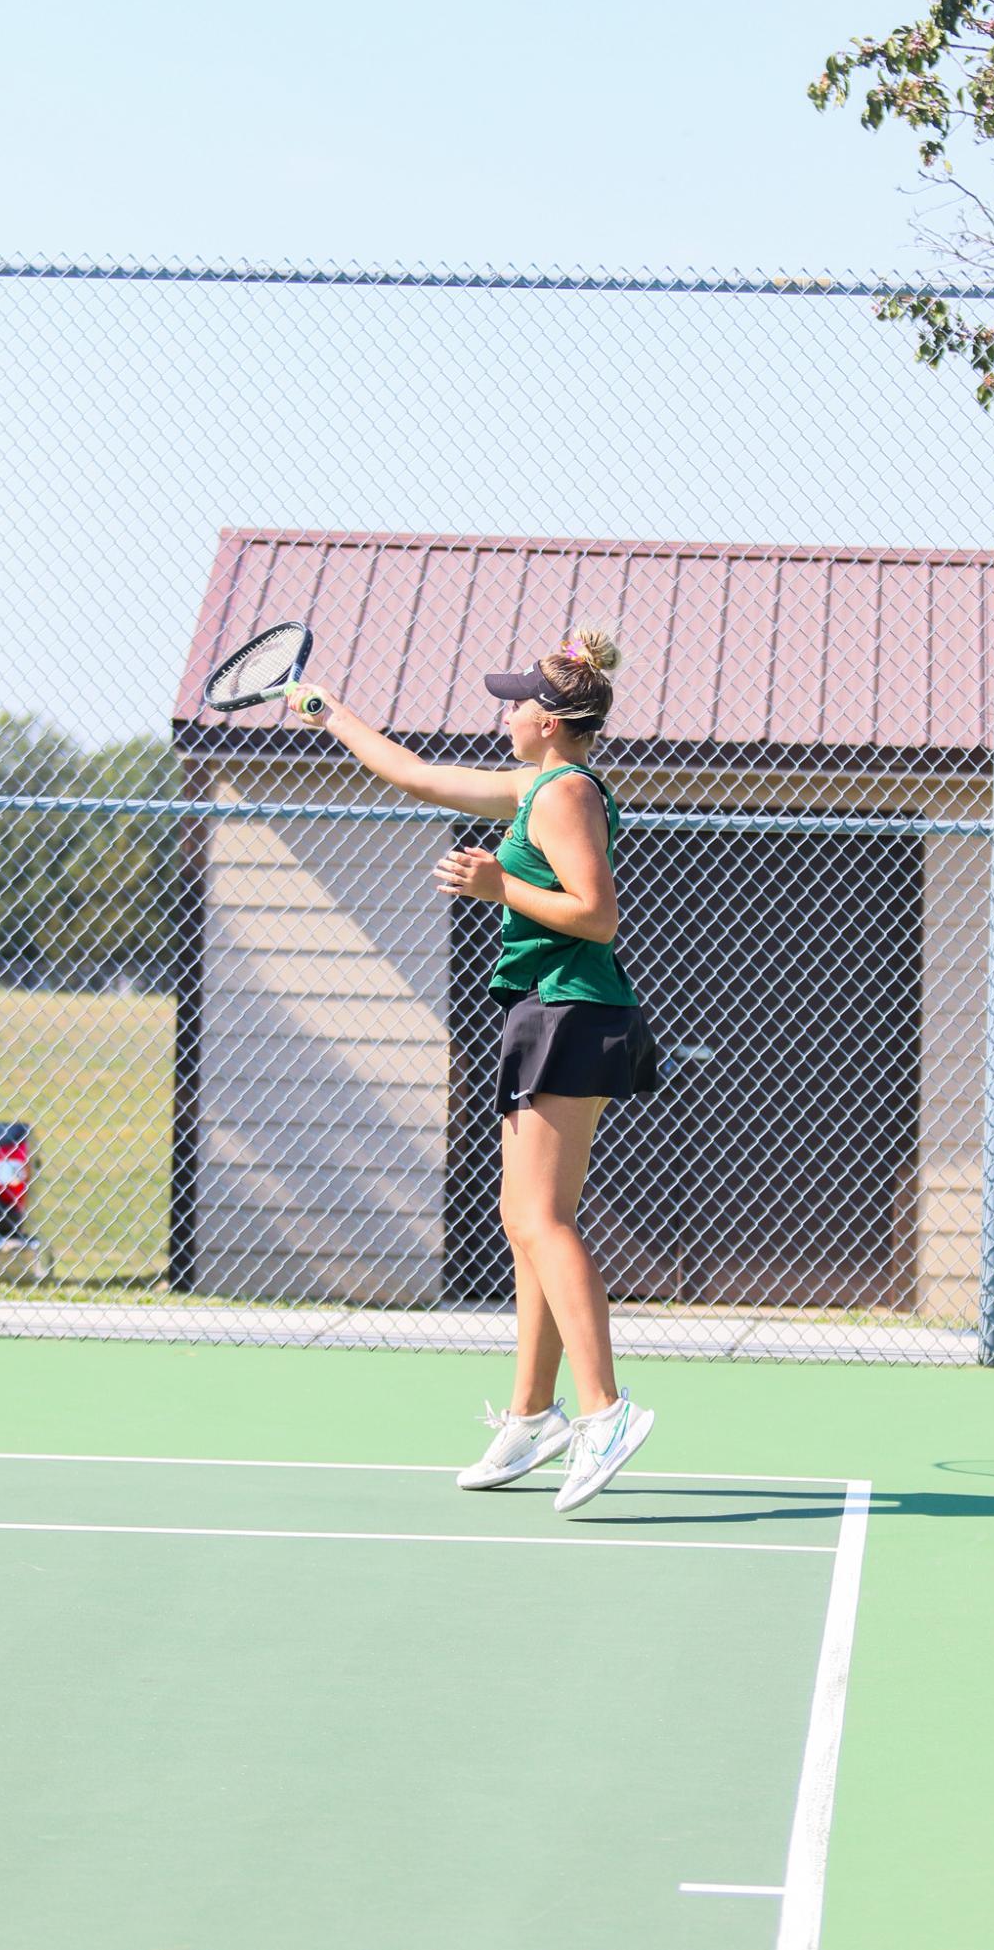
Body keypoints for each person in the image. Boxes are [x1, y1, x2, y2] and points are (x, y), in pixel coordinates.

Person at [288, 625, 659, 1513]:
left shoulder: (565, 792)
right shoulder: (534, 785)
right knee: (529, 1219)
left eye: (516, 700)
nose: (506, 711)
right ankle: (534, 1415)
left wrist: (501, 888)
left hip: (571, 1002)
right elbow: (414, 773)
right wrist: (324, 709)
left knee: (536, 1220)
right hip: (546, 1006)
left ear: (552, 718)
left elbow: (597, 913)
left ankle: (606, 1411)